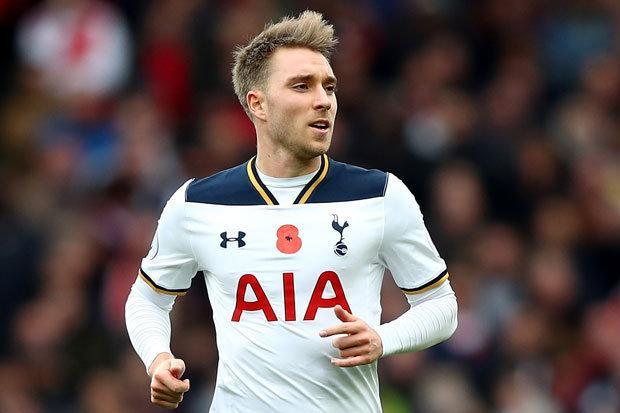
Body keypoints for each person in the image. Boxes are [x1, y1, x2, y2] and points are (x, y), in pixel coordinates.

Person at [125, 10, 458, 412]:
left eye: (329, 87)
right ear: (258, 104)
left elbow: (442, 306)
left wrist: (384, 338)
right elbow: (147, 300)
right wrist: (158, 358)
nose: (323, 101)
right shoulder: (198, 203)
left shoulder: (380, 195)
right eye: (302, 86)